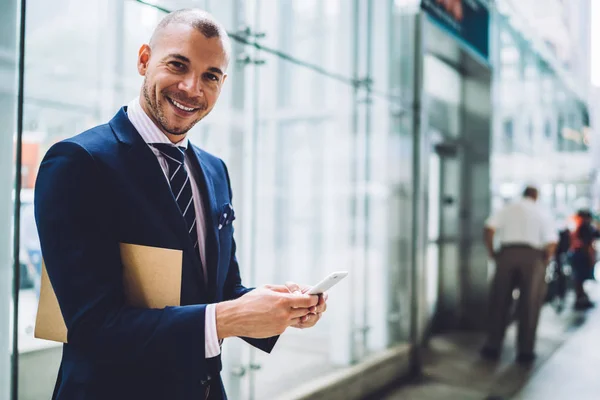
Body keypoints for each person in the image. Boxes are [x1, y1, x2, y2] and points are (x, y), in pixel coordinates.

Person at [34, 9, 326, 400]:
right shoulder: (78, 162)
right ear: (143, 60)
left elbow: (219, 289)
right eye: (178, 65)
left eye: (211, 76)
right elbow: (93, 325)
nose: (192, 88)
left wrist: (277, 307)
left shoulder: (214, 169)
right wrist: (229, 317)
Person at [480, 186, 556, 364]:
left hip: (508, 253)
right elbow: (551, 242)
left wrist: (492, 253)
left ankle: (493, 346)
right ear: (536, 196)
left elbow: (489, 229)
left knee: (499, 300)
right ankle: (525, 351)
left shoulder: (508, 208)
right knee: (530, 304)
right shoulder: (541, 212)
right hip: (533, 256)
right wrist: (545, 261)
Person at [568, 209, 598, 310]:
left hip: (577, 255)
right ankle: (580, 300)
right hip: (581, 255)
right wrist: (590, 257)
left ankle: (581, 298)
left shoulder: (579, 226)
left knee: (579, 279)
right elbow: (588, 242)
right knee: (579, 278)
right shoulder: (584, 227)